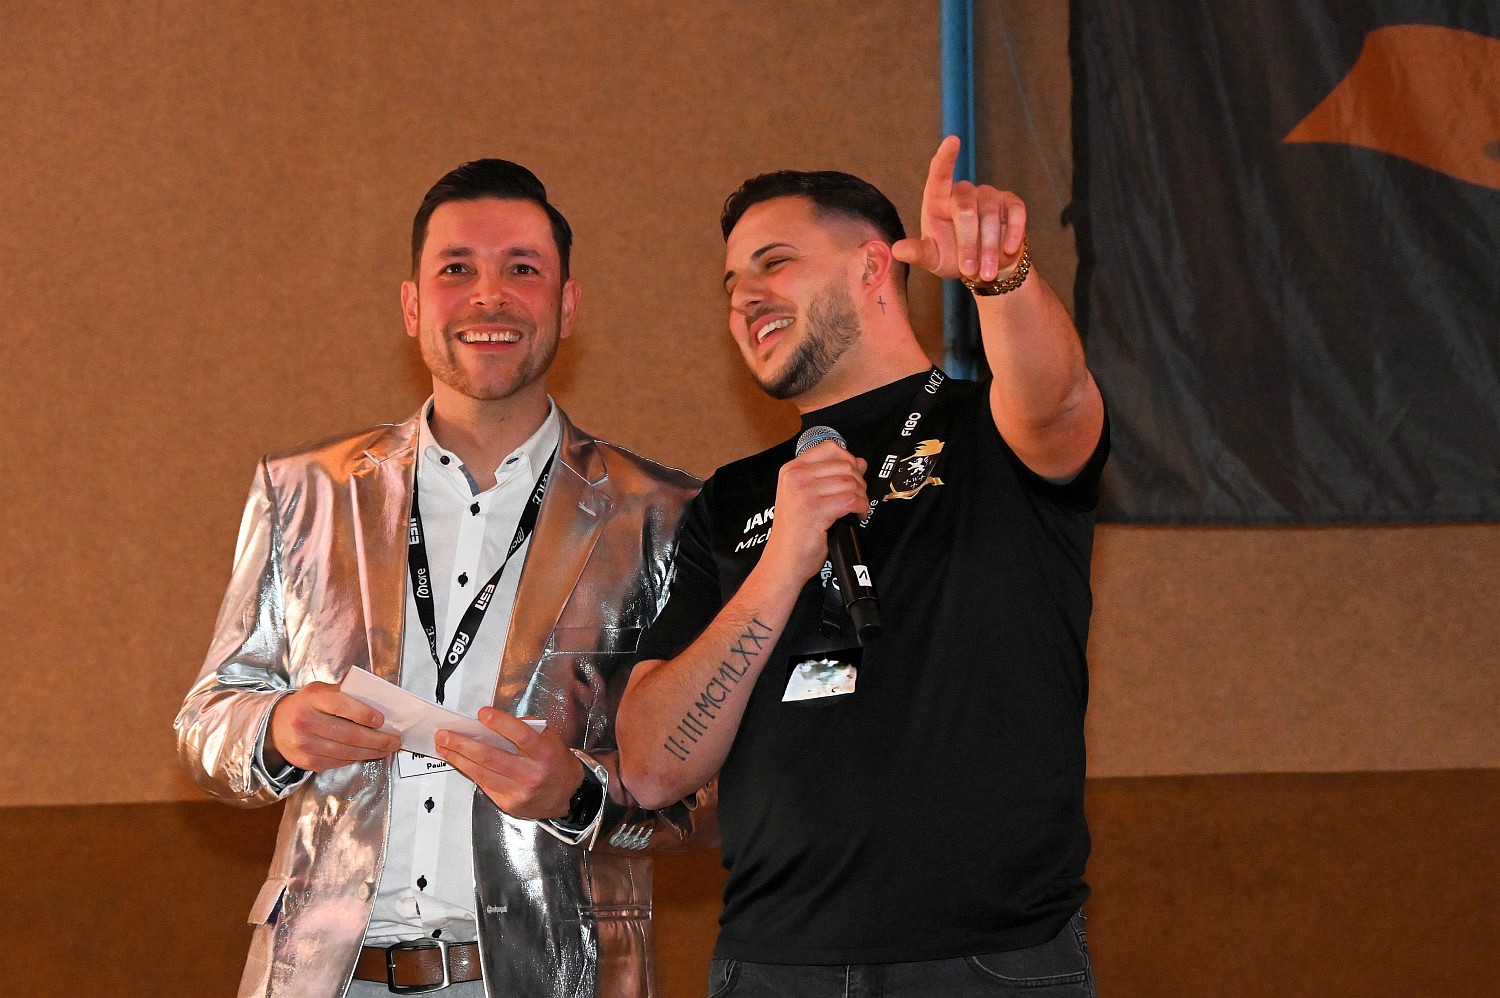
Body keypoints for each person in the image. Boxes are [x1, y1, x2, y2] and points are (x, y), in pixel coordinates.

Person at [176, 158, 711, 998]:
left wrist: (580, 794)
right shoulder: (304, 493)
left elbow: (711, 792)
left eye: (522, 270)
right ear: (412, 306)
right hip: (325, 974)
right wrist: (276, 729)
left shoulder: (664, 516)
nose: (488, 296)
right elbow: (206, 721)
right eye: (456, 269)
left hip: (553, 977)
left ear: (568, 307)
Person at [616, 136, 1108, 997]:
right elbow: (654, 768)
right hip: (772, 966)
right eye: (730, 285)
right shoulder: (733, 500)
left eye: (774, 263)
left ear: (873, 267)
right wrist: (781, 564)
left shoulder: (988, 431)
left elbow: (1059, 401)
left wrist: (1001, 277)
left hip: (988, 962)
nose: (745, 299)